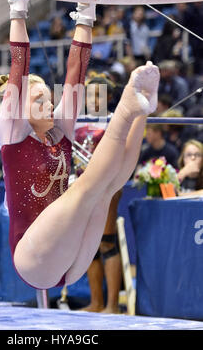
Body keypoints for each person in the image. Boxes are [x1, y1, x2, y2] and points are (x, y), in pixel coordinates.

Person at [0, 0, 160, 290]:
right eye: (39, 99)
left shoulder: (59, 130)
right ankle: (127, 109)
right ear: (19, 107)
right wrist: (18, 9)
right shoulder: (13, 135)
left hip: (68, 259)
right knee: (85, 188)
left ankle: (141, 111)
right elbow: (19, 67)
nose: (49, 103)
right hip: (33, 257)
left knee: (107, 188)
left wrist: (85, 13)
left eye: (48, 98)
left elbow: (76, 73)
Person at [74, 72, 122, 313]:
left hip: (108, 186)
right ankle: (96, 302)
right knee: (89, 245)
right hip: (84, 186)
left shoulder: (114, 121)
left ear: (109, 97)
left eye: (98, 95)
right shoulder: (78, 120)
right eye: (89, 95)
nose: (93, 100)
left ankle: (112, 304)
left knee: (106, 241)